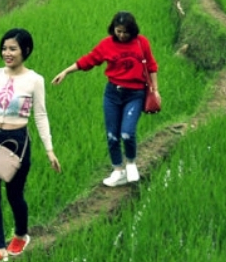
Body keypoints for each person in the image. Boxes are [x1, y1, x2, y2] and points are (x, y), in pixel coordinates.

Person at [0, 28, 61, 262]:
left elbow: (40, 115)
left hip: (17, 140)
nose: (7, 53)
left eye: (13, 49)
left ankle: (20, 234)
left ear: (25, 51)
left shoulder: (34, 80)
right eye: (4, 48)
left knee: (14, 195)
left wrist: (49, 150)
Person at [52, 11, 159, 187]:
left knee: (127, 132)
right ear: (113, 29)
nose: (122, 35)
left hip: (135, 94)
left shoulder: (141, 42)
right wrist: (66, 71)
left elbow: (152, 66)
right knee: (112, 135)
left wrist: (155, 90)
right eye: (118, 31)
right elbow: (89, 60)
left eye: (125, 32)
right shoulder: (107, 44)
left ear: (132, 30)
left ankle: (131, 163)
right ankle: (118, 170)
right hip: (112, 94)